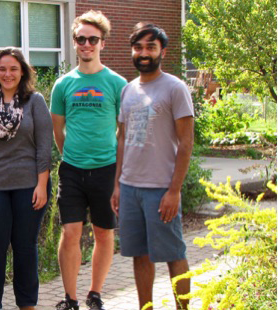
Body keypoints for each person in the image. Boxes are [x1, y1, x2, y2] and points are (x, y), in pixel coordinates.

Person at [111, 23, 193, 310]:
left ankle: (183, 308)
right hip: (130, 188)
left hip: (161, 189)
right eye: (139, 47)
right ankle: (145, 307)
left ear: (162, 51)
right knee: (139, 255)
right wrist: (117, 185)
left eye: (150, 47)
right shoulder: (128, 90)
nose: (144, 53)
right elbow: (122, 140)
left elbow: (185, 143)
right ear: (132, 51)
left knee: (173, 253)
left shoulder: (175, 88)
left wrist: (174, 190)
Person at [51, 10, 127, 310]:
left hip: (107, 170)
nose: (86, 44)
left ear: (102, 43)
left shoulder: (117, 83)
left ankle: (94, 293)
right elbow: (58, 131)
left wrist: (119, 173)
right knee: (70, 233)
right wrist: (73, 156)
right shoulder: (63, 85)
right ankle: (69, 299)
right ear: (74, 42)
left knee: (104, 233)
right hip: (72, 170)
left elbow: (124, 132)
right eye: (80, 39)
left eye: (92, 39)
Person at [0, 47, 53, 310]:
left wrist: (41, 184)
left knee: (25, 248)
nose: (8, 74)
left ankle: (27, 304)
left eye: (14, 68)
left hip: (30, 186)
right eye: (2, 69)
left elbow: (44, 146)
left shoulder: (35, 102)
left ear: (22, 72)